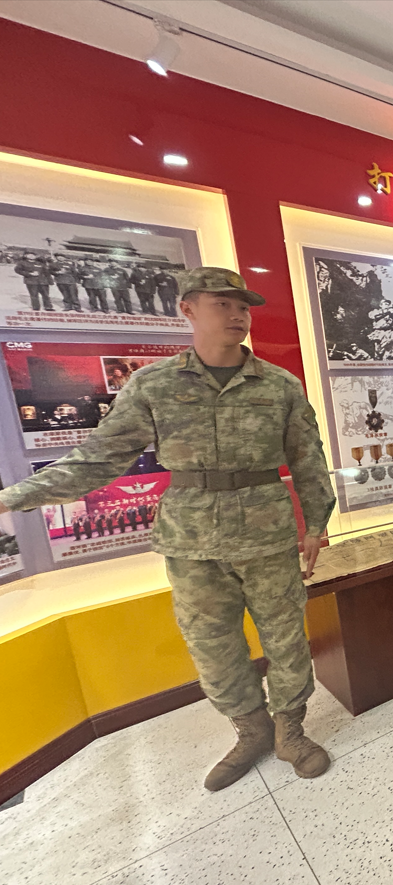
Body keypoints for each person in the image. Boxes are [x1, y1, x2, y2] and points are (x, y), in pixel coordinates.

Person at [0, 267, 337, 792]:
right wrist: (12, 498)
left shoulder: (279, 385)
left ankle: (290, 731)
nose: (237, 314)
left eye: (242, 306)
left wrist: (316, 523)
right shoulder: (153, 385)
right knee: (212, 643)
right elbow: (98, 459)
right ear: (187, 309)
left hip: (266, 534)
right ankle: (251, 731)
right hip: (191, 540)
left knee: (286, 637)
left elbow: (308, 459)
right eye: (222, 304)